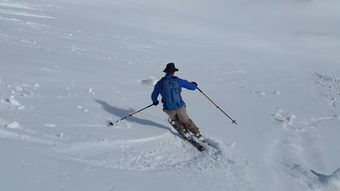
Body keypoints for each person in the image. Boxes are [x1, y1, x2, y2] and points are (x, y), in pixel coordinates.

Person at [151, 63, 204, 140]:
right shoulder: (178, 80)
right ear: (173, 72)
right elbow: (191, 87)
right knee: (186, 120)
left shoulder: (160, 83)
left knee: (175, 120)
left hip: (168, 108)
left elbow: (154, 94)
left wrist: (155, 101)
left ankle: (183, 130)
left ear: (166, 72)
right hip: (180, 106)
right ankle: (197, 133)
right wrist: (194, 84)